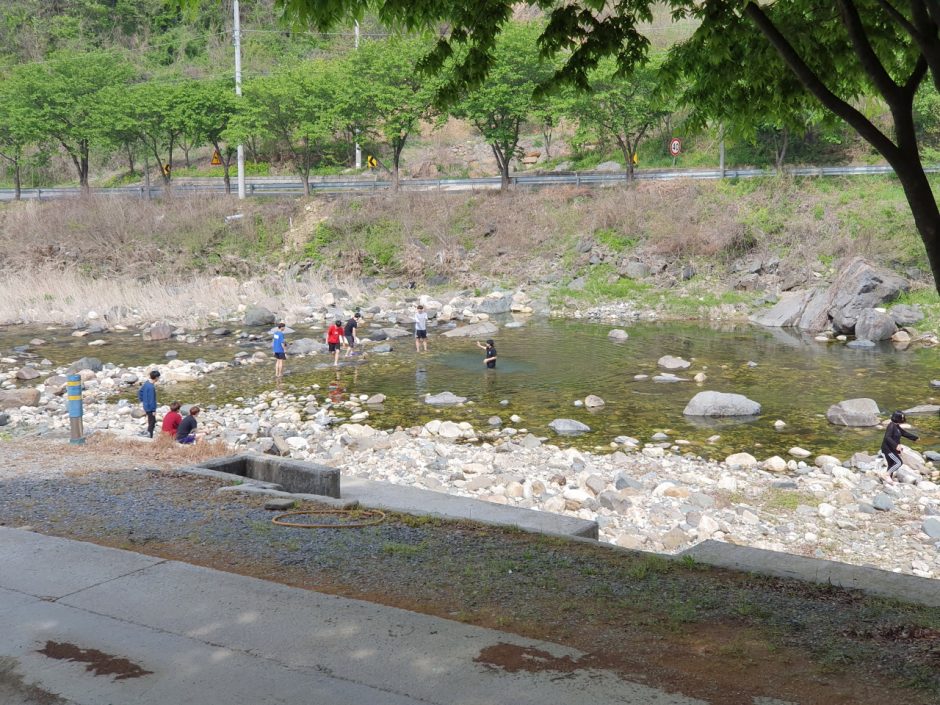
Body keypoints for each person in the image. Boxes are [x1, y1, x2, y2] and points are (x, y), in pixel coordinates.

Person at [881, 410, 919, 480]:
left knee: (891, 464)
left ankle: (888, 479)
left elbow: (904, 433)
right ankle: (886, 475)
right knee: (898, 462)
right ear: (897, 418)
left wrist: (915, 438)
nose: (903, 419)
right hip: (888, 449)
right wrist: (896, 445)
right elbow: (887, 437)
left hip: (891, 449)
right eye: (902, 417)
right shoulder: (891, 426)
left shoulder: (896, 426)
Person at [137, 370, 160, 438]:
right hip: (150, 407)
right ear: (156, 378)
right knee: (152, 422)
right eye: (158, 377)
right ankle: (149, 435)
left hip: (146, 405)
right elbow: (152, 400)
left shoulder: (146, 383)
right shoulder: (151, 387)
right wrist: (153, 410)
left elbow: (140, 392)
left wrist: (142, 400)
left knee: (151, 421)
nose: (158, 379)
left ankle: (149, 434)